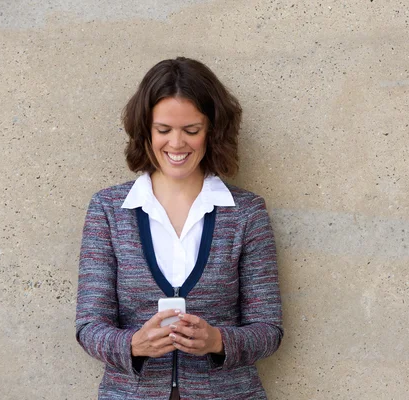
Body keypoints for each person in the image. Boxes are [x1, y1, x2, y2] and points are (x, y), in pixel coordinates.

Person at [75, 57, 283, 400]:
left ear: (212, 130)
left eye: (191, 130)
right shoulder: (108, 210)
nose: (176, 144)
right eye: (163, 130)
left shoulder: (246, 213)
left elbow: (269, 328)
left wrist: (218, 341)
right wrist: (132, 345)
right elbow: (88, 325)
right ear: (145, 129)